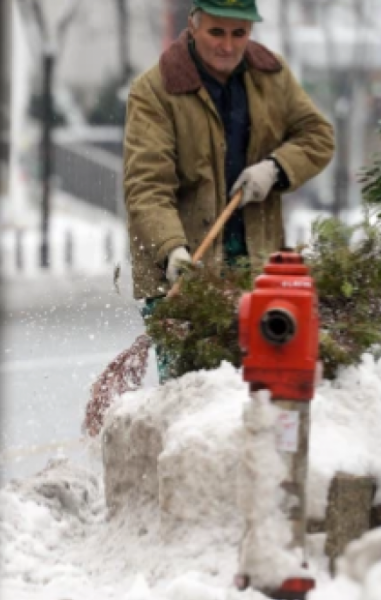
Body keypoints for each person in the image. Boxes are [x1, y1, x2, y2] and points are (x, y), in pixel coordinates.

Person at [123, 0, 334, 380]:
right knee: (191, 393)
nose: (228, 45)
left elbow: (317, 136)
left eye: (240, 33)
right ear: (192, 25)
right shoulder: (155, 90)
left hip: (255, 261)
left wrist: (276, 168)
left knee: (255, 386)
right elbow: (146, 186)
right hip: (182, 268)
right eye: (216, 32)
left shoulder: (271, 75)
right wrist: (172, 248)